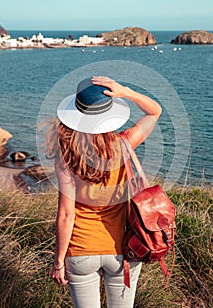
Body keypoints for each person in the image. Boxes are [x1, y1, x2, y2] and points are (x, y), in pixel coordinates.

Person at [50, 76, 162, 308]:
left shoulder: (66, 157)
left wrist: (59, 260)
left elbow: (66, 215)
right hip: (122, 250)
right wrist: (126, 91)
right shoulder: (123, 144)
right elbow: (154, 112)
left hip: (80, 251)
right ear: (110, 116)